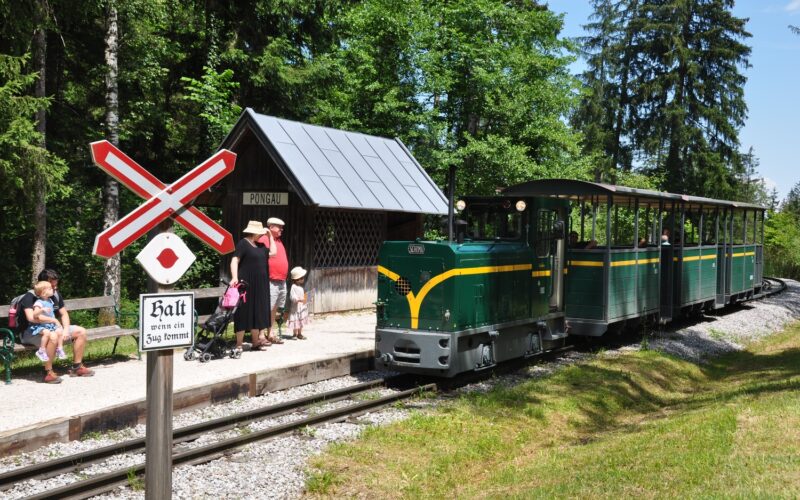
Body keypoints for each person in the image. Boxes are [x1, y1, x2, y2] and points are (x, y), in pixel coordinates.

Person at [19, 269, 94, 383]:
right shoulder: (29, 297)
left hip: (51, 328)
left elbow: (64, 314)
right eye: (52, 286)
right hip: (31, 332)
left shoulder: (55, 295)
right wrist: (53, 320)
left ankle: (77, 367)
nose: (55, 288)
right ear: (43, 286)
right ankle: (48, 372)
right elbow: (31, 318)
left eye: (55, 285)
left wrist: (66, 330)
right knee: (53, 336)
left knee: (81, 331)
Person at [230, 220, 273, 353]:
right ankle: (239, 344)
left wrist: (270, 236)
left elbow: (273, 252)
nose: (261, 235)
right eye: (260, 233)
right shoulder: (243, 243)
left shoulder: (260, 246)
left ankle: (255, 342)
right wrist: (234, 277)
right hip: (246, 283)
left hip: (261, 284)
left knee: (257, 312)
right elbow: (234, 260)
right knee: (243, 312)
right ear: (254, 232)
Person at [258, 217, 288, 344]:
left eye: (282, 227)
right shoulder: (264, 239)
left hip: (281, 280)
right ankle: (260, 335)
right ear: (271, 227)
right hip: (270, 280)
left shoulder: (278, 241)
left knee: (274, 308)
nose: (281, 229)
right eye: (279, 227)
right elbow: (259, 258)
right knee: (266, 307)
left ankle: (270, 333)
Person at [29, 280, 66, 362]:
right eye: (49, 289)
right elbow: (35, 315)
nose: (52, 289)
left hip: (51, 325)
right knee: (46, 333)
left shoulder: (50, 300)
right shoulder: (39, 303)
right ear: (43, 292)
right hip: (41, 325)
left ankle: (59, 349)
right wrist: (42, 310)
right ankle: (41, 351)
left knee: (60, 331)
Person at [287, 266, 310, 340]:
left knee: (300, 319)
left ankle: (300, 333)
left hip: (301, 307)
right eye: (302, 278)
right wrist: (297, 299)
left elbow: (303, 296)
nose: (303, 279)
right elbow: (292, 296)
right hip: (295, 307)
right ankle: (294, 334)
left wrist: (306, 299)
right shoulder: (293, 287)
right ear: (297, 279)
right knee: (295, 319)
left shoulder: (301, 287)